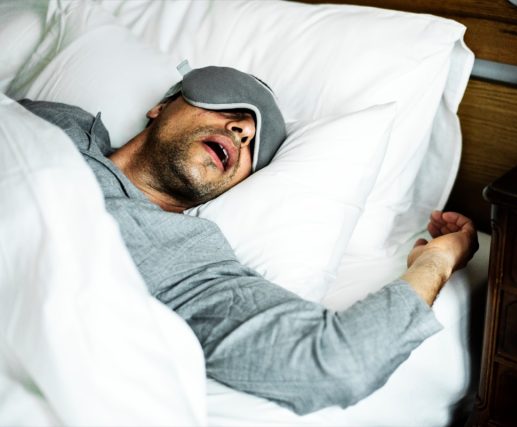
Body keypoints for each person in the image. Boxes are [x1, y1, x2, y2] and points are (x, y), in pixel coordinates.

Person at [19, 65, 478, 415]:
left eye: (256, 146)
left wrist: (436, 261)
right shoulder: (57, 124)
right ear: (160, 107)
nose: (243, 130)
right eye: (229, 108)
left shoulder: (186, 258)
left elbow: (337, 363)